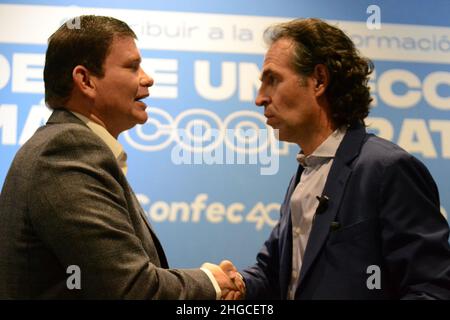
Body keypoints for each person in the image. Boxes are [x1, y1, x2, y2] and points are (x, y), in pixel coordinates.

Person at [0, 15, 240, 299]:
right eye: (132, 66)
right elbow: (131, 290)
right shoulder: (66, 150)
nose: (148, 78)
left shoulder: (68, 146)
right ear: (85, 80)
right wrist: (210, 282)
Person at [221, 18, 450, 299]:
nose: (260, 98)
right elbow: (277, 273)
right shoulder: (305, 172)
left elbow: (431, 288)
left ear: (318, 80)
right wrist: (241, 283)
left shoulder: (387, 168)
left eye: (273, 80)